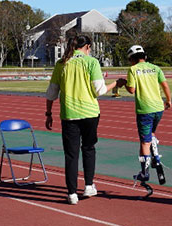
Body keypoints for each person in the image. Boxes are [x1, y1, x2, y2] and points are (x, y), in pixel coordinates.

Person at [44, 35, 119, 204]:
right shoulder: (91, 62)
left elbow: (51, 93)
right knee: (89, 148)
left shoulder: (62, 63)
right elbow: (99, 90)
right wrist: (115, 84)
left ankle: (71, 193)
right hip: (90, 113)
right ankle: (88, 185)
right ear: (88, 46)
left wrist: (48, 113)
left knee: (71, 155)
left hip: (69, 114)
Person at [124, 44, 172, 189]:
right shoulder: (156, 68)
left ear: (132, 59)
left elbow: (132, 90)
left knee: (144, 142)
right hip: (158, 108)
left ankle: (144, 172)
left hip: (144, 109)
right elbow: (165, 85)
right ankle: (155, 158)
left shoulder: (133, 70)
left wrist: (123, 84)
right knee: (150, 135)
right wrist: (169, 100)